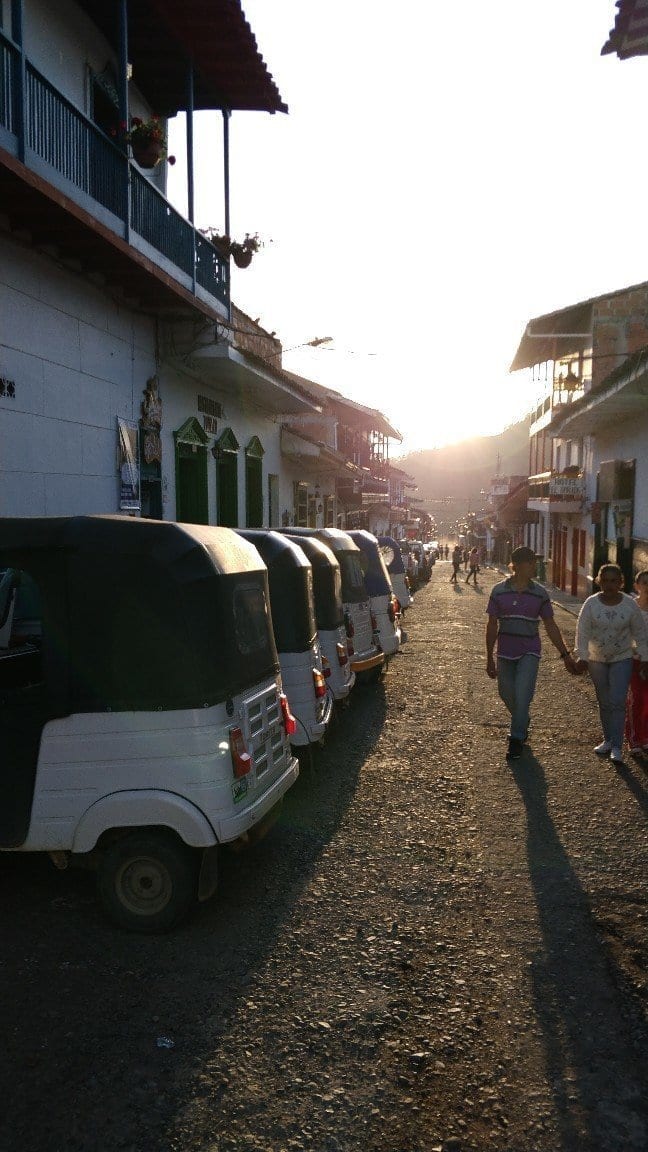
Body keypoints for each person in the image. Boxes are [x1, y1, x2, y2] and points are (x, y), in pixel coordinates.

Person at [486, 545, 577, 760]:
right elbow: (491, 625)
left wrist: (565, 655)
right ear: (517, 566)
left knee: (523, 692)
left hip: (530, 651)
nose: (534, 566)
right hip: (505, 651)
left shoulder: (540, 593)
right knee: (505, 693)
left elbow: (551, 625)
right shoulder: (498, 591)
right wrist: (489, 657)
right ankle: (522, 719)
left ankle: (516, 738)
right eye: (530, 563)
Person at [574, 564, 648, 764]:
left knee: (617, 701)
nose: (609, 584)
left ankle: (617, 746)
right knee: (604, 702)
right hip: (596, 659)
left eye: (614, 581)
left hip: (622, 658)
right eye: (605, 580)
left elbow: (640, 633)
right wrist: (582, 655)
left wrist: (644, 657)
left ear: (621, 583)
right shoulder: (591, 604)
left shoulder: (629, 605)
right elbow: (582, 631)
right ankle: (607, 739)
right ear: (599, 581)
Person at [625, 570, 648, 759]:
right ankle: (633, 738)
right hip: (635, 660)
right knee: (636, 699)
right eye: (645, 583)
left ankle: (645, 736)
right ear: (637, 586)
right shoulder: (631, 608)